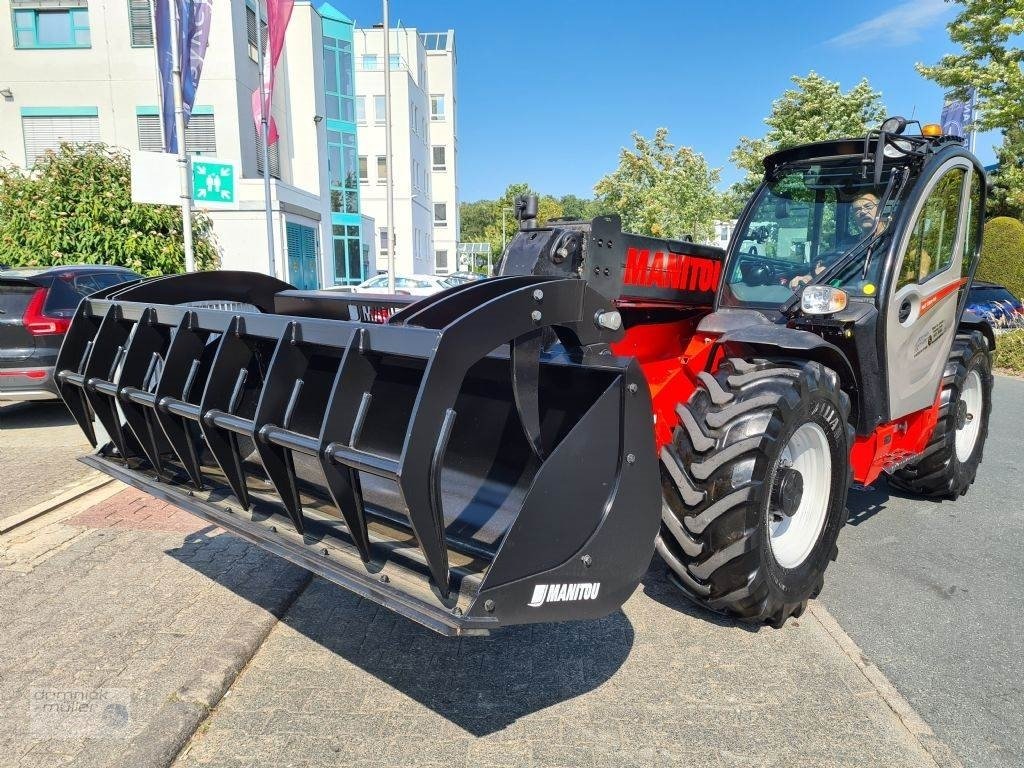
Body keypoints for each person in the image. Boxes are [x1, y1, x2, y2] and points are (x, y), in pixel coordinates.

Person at [789, 192, 885, 289]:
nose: (863, 212)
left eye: (868, 206)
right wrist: (808, 277)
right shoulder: (848, 244)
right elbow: (829, 264)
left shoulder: (894, 241)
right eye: (857, 210)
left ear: (881, 208)